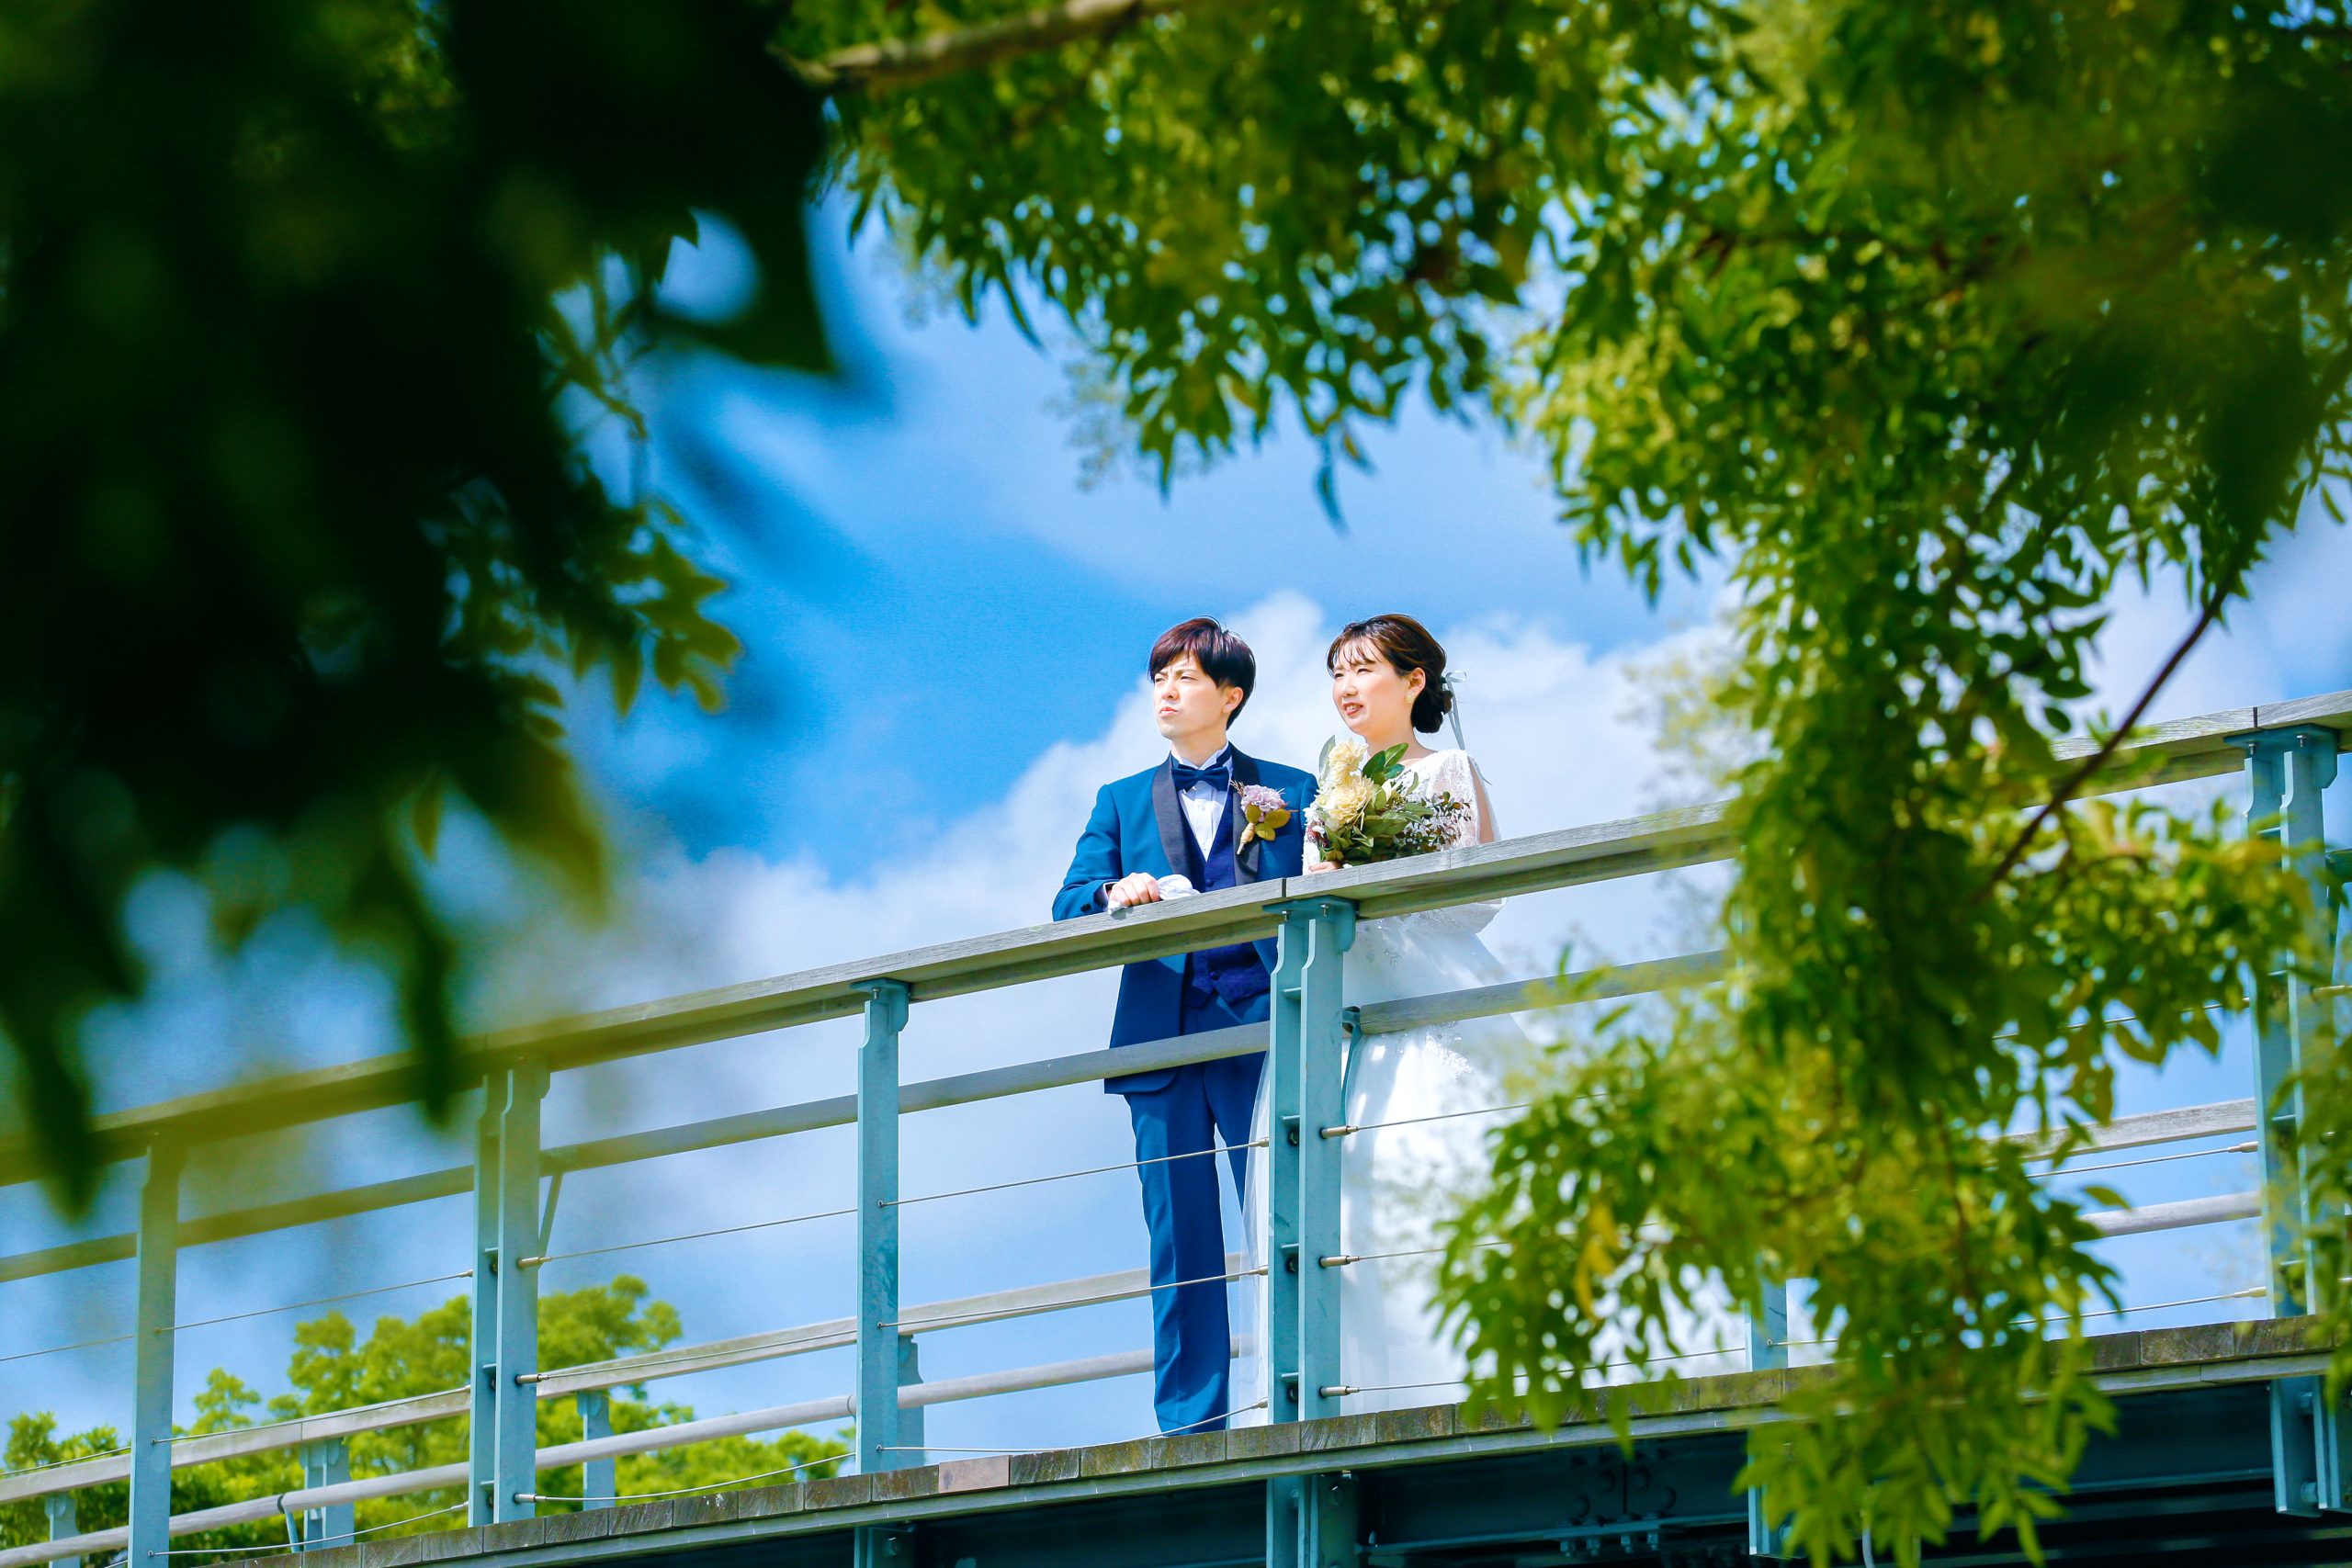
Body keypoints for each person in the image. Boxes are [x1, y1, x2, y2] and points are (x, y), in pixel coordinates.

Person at [1051, 618, 1316, 1435]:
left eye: (1186, 678)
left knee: (1284, 1221)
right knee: (1180, 1240)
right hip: (1159, 1037)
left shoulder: (1294, 790)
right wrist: (1114, 894)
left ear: (1230, 696)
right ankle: (1192, 1425)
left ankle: (1300, 1398)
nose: (1166, 691)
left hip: (1264, 1027)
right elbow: (1068, 903)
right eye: (1159, 677)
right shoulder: (1120, 798)